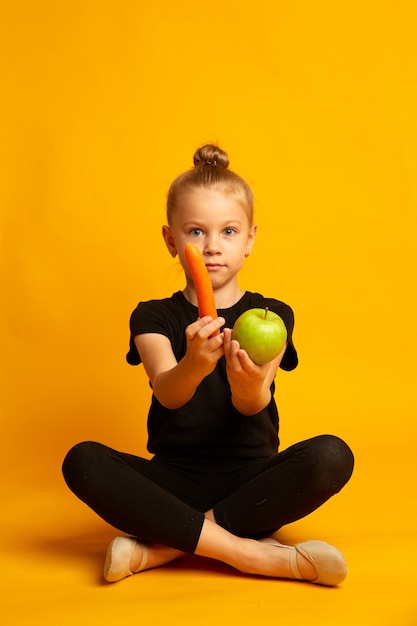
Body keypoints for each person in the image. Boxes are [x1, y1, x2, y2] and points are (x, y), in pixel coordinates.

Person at [62, 144, 354, 586]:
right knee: (81, 460)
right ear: (170, 240)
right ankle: (252, 556)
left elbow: (254, 406)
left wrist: (248, 385)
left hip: (251, 486)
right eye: (196, 232)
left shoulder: (274, 315)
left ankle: (162, 549)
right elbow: (167, 391)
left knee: (332, 455)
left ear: (251, 238)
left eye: (229, 232)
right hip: (170, 482)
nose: (213, 247)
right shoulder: (152, 317)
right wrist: (194, 364)